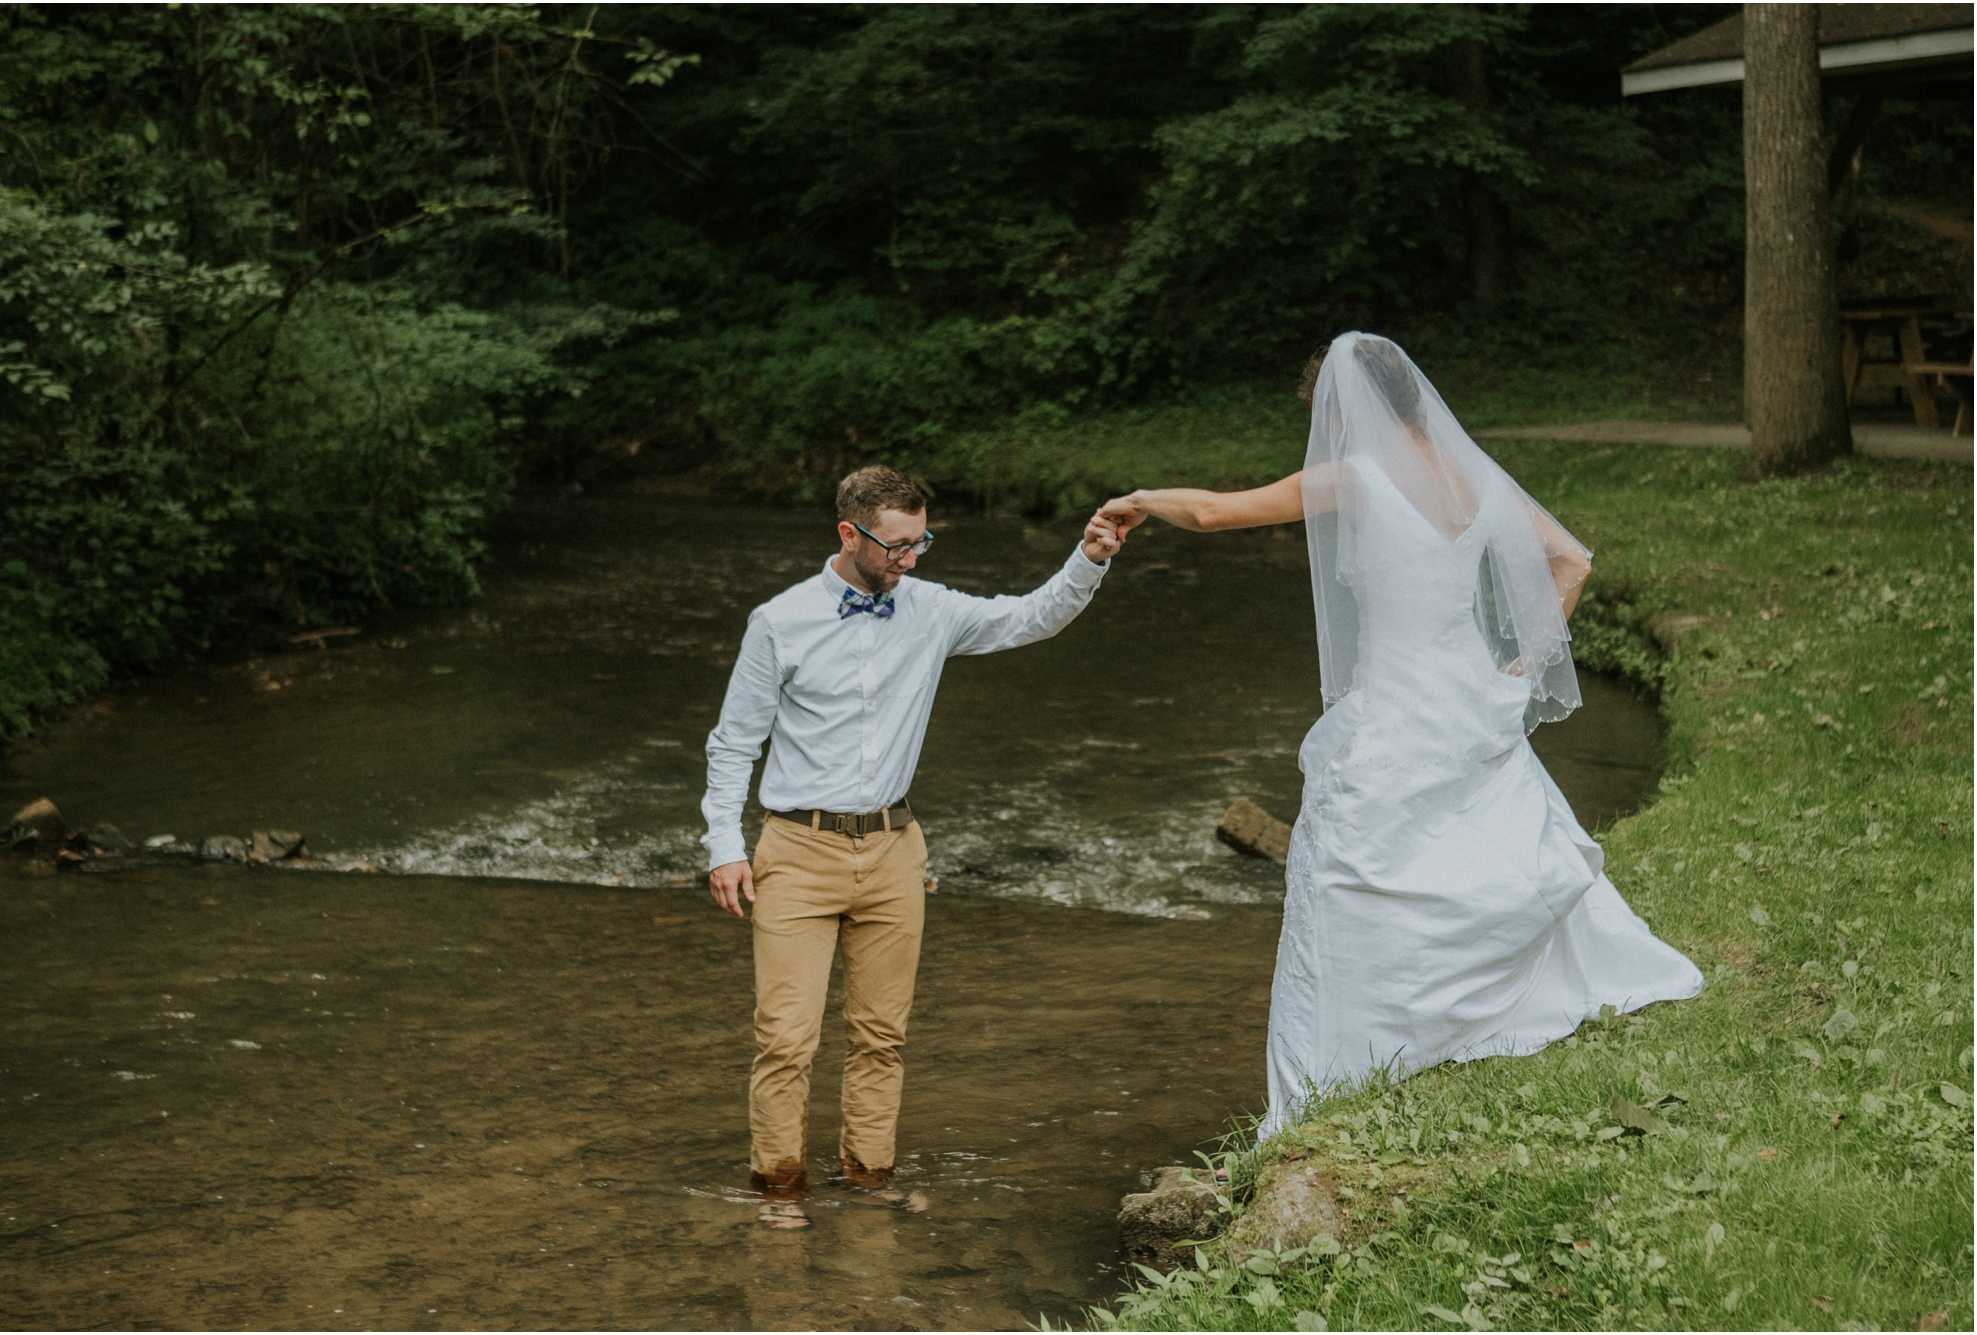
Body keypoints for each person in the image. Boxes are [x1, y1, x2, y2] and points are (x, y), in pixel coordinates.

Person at [1095, 333, 1701, 1136]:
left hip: (1393, 708)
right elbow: (1572, 563)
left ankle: (1337, 1073)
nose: (1325, 434)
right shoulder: (1470, 471)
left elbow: (1212, 512)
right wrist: (1521, 666)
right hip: (1468, 696)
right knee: (1470, 852)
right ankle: (1456, 1018)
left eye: (1324, 417)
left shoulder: (1356, 478)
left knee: (1346, 879)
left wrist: (1142, 497)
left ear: (1349, 412)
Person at [703, 465, 1126, 1226]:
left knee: (881, 1036)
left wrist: (1089, 558)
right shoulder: (780, 620)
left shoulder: (933, 609)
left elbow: (1031, 617)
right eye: (895, 545)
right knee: (787, 1038)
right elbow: (733, 743)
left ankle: (867, 1183)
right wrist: (723, 846)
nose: (910, 559)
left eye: (920, 540)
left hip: (896, 849)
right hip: (797, 849)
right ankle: (779, 1191)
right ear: (848, 533)